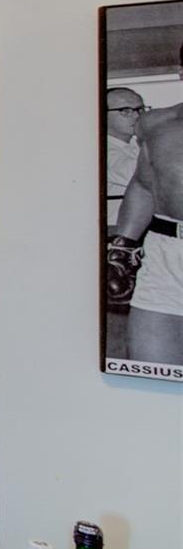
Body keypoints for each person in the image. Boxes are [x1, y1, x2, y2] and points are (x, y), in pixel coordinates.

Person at [111, 46, 183, 366]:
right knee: (149, 371)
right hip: (166, 256)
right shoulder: (156, 124)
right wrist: (122, 247)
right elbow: (143, 184)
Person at [106, 87, 146, 225]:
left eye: (140, 110)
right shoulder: (98, 151)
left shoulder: (137, 144)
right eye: (126, 111)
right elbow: (138, 174)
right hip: (113, 232)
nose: (137, 116)